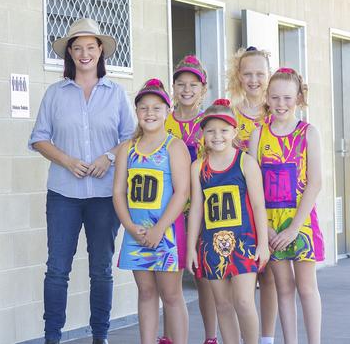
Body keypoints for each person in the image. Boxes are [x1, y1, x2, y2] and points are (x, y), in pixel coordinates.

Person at [28, 18, 135, 344]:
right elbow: (39, 138)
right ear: (70, 54)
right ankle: (52, 338)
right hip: (63, 193)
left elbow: (131, 139)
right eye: (78, 48)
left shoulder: (116, 94)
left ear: (100, 50)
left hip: (105, 195)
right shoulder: (55, 93)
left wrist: (109, 157)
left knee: (101, 269)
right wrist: (66, 160)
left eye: (91, 47)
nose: (84, 54)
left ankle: (100, 336)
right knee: (57, 270)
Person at [248, 68, 323, 344]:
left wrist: (294, 228)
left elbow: (315, 183)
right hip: (270, 224)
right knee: (283, 288)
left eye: (288, 98)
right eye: (276, 97)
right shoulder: (258, 135)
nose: (281, 104)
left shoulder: (308, 134)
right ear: (267, 97)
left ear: (299, 98)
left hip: (300, 222)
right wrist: (265, 228)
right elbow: (252, 185)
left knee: (306, 287)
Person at [186, 99, 270, 344]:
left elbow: (258, 206)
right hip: (211, 245)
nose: (217, 136)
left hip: (243, 243)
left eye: (223, 130)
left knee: (243, 301)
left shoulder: (245, 162)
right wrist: (192, 248)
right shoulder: (198, 167)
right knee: (222, 304)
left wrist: (263, 243)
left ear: (234, 131)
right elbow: (196, 210)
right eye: (210, 130)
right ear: (203, 134)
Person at [114, 79, 190, 344]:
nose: (150, 113)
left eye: (156, 108)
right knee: (146, 292)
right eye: (144, 108)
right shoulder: (127, 149)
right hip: (137, 232)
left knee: (170, 294)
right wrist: (130, 226)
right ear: (136, 112)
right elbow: (119, 192)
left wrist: (160, 229)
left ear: (167, 112)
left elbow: (182, 192)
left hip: (165, 232)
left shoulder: (174, 146)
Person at [227, 46, 278, 344]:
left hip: (271, 203)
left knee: (268, 275)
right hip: (239, 209)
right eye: (248, 73)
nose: (254, 79)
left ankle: (267, 337)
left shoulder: (278, 111)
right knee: (240, 280)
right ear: (239, 76)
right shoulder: (230, 116)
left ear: (268, 75)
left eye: (260, 73)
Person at [165, 55, 218, 344]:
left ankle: (210, 337)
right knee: (167, 275)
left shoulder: (209, 123)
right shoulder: (163, 120)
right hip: (169, 210)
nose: (186, 89)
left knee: (203, 276)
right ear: (173, 87)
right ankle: (169, 336)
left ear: (203, 89)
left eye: (193, 85)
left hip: (203, 210)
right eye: (181, 84)